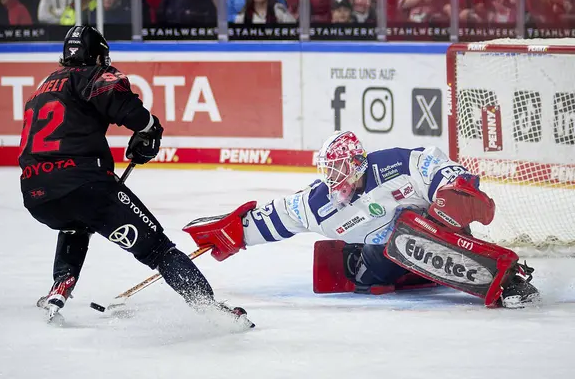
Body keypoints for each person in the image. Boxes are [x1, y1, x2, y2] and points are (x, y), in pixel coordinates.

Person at [22, 25, 253, 327]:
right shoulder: (91, 75)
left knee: (74, 225)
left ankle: (59, 288)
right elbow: (126, 107)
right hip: (86, 186)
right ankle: (210, 309)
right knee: (159, 249)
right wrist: (149, 128)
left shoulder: (43, 87)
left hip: (36, 194)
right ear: (96, 54)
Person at [183, 131, 540, 309]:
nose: (332, 177)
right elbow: (278, 216)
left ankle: (504, 276)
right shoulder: (318, 202)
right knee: (401, 241)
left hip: (440, 237)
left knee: (413, 231)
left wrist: (454, 185)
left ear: (356, 163)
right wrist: (235, 232)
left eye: (338, 168)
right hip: (383, 261)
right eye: (327, 169)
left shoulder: (394, 164)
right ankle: (361, 263)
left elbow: (435, 166)